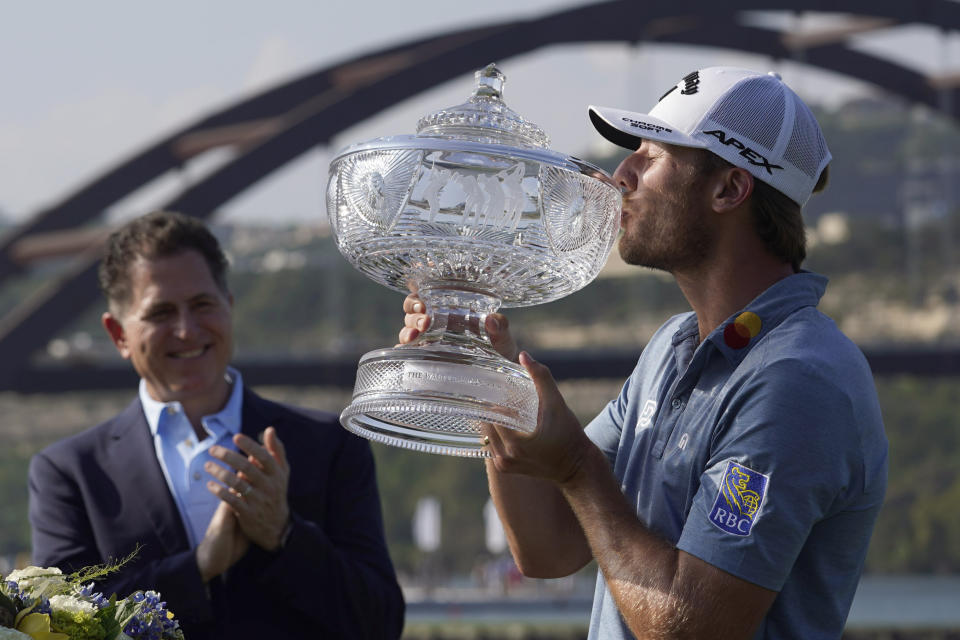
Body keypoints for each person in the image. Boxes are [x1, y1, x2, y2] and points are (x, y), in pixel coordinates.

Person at [400, 67, 888, 639]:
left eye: (652, 156)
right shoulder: (672, 349)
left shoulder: (798, 380)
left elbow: (690, 629)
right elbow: (547, 547)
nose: (621, 175)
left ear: (729, 189)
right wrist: (492, 382)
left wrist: (579, 469)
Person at [29, 211, 404, 639]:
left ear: (229, 305)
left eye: (202, 305)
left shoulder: (330, 445)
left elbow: (382, 623)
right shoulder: (70, 473)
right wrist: (200, 566)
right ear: (119, 335)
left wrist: (285, 535)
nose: (187, 330)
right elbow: (64, 626)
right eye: (161, 312)